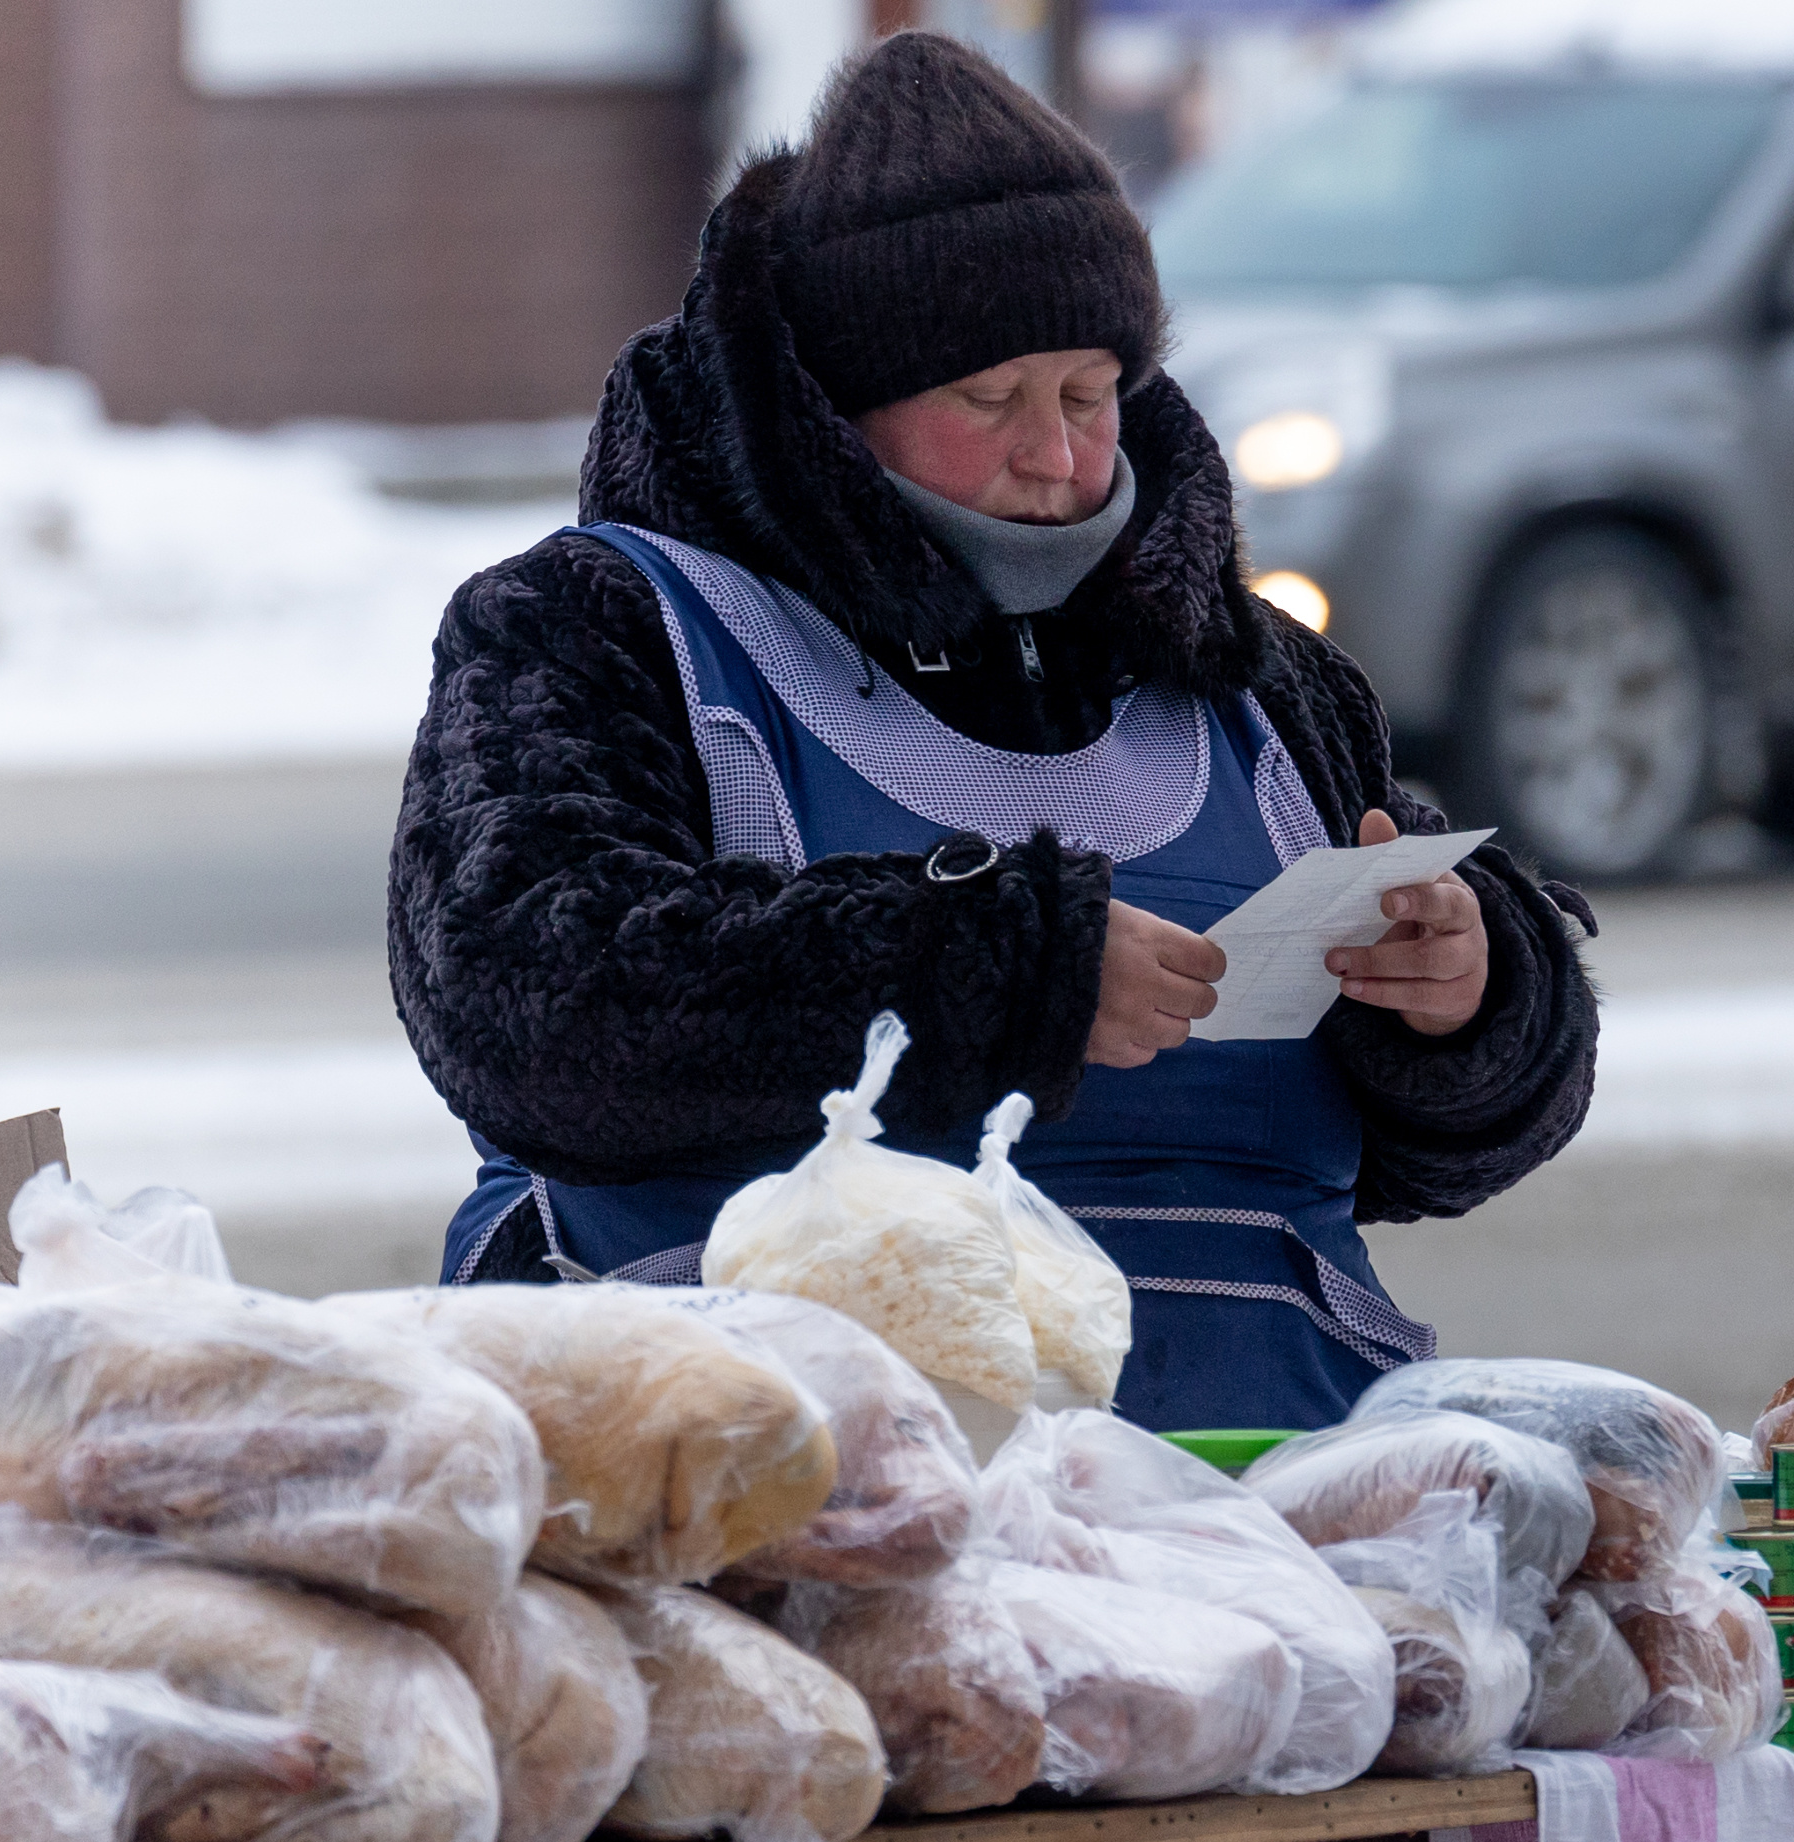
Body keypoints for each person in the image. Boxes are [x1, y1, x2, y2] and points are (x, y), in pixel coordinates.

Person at [387, 32, 1600, 1430]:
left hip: (1284, 1525)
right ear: (834, 410)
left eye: (1090, 396)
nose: (1059, 457)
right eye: (989, 400)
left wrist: (1474, 994)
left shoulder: (1259, 685)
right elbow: (524, 996)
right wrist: (998, 974)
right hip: (802, 1541)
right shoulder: (605, 629)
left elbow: (1443, 1146)